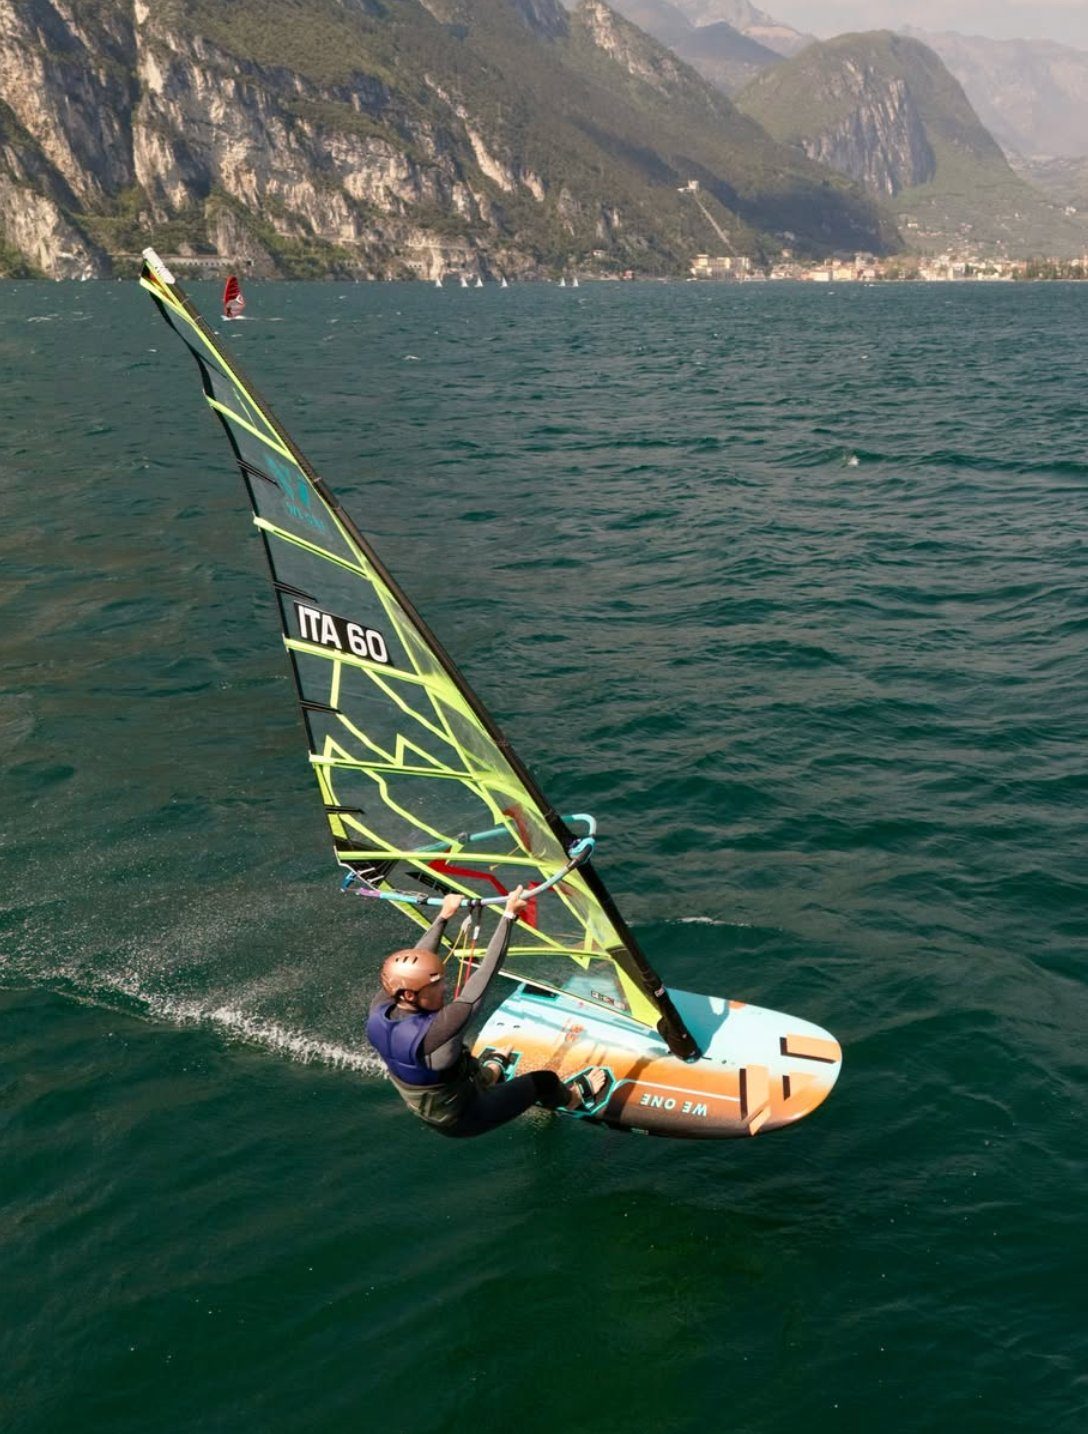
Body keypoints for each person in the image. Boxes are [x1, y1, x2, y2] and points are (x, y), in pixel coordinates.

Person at [366, 885, 609, 1137]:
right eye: (435, 986)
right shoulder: (435, 1033)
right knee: (543, 1081)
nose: (444, 987)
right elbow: (485, 975)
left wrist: (443, 917)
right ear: (409, 994)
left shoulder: (381, 1009)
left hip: (439, 1101)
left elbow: (416, 959)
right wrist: (508, 917)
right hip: (465, 1117)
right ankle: (572, 1097)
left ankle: (490, 1074)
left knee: (459, 1063)